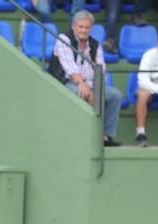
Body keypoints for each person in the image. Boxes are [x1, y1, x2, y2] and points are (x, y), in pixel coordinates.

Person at [48, 10, 124, 147]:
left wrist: (96, 88)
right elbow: (70, 67)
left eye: (87, 27)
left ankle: (105, 136)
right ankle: (84, 136)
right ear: (74, 26)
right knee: (82, 93)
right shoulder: (64, 39)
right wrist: (83, 85)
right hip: (65, 82)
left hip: (89, 83)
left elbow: (101, 70)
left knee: (115, 95)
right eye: (80, 27)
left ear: (91, 29)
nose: (83, 30)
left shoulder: (95, 44)